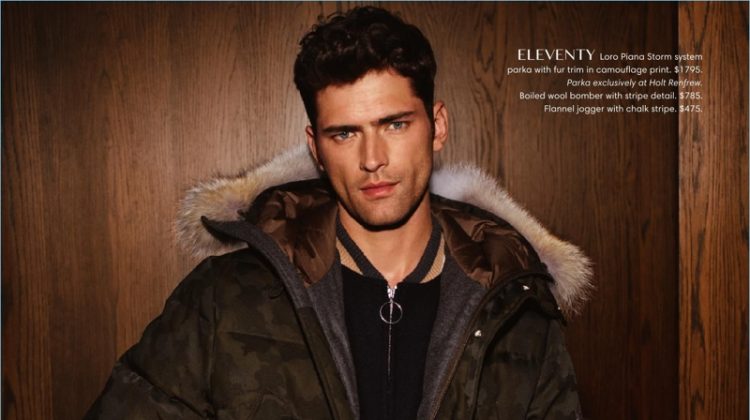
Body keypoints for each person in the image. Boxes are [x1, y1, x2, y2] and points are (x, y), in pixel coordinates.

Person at [86, 6, 592, 419]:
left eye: (394, 124)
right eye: (345, 133)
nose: (373, 159)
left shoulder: (517, 309)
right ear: (316, 147)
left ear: (437, 126)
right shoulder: (225, 297)